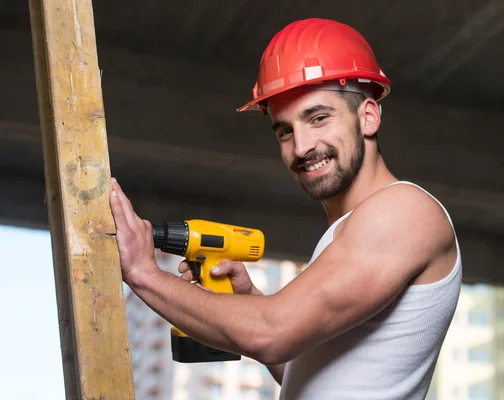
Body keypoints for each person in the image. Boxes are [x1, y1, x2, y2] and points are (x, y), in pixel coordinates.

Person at [110, 18, 462, 399]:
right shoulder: (350, 231)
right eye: (285, 131)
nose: (301, 147)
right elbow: (312, 378)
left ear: (368, 116)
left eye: (318, 118)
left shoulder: (402, 212)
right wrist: (251, 303)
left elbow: (272, 335)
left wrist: (143, 272)